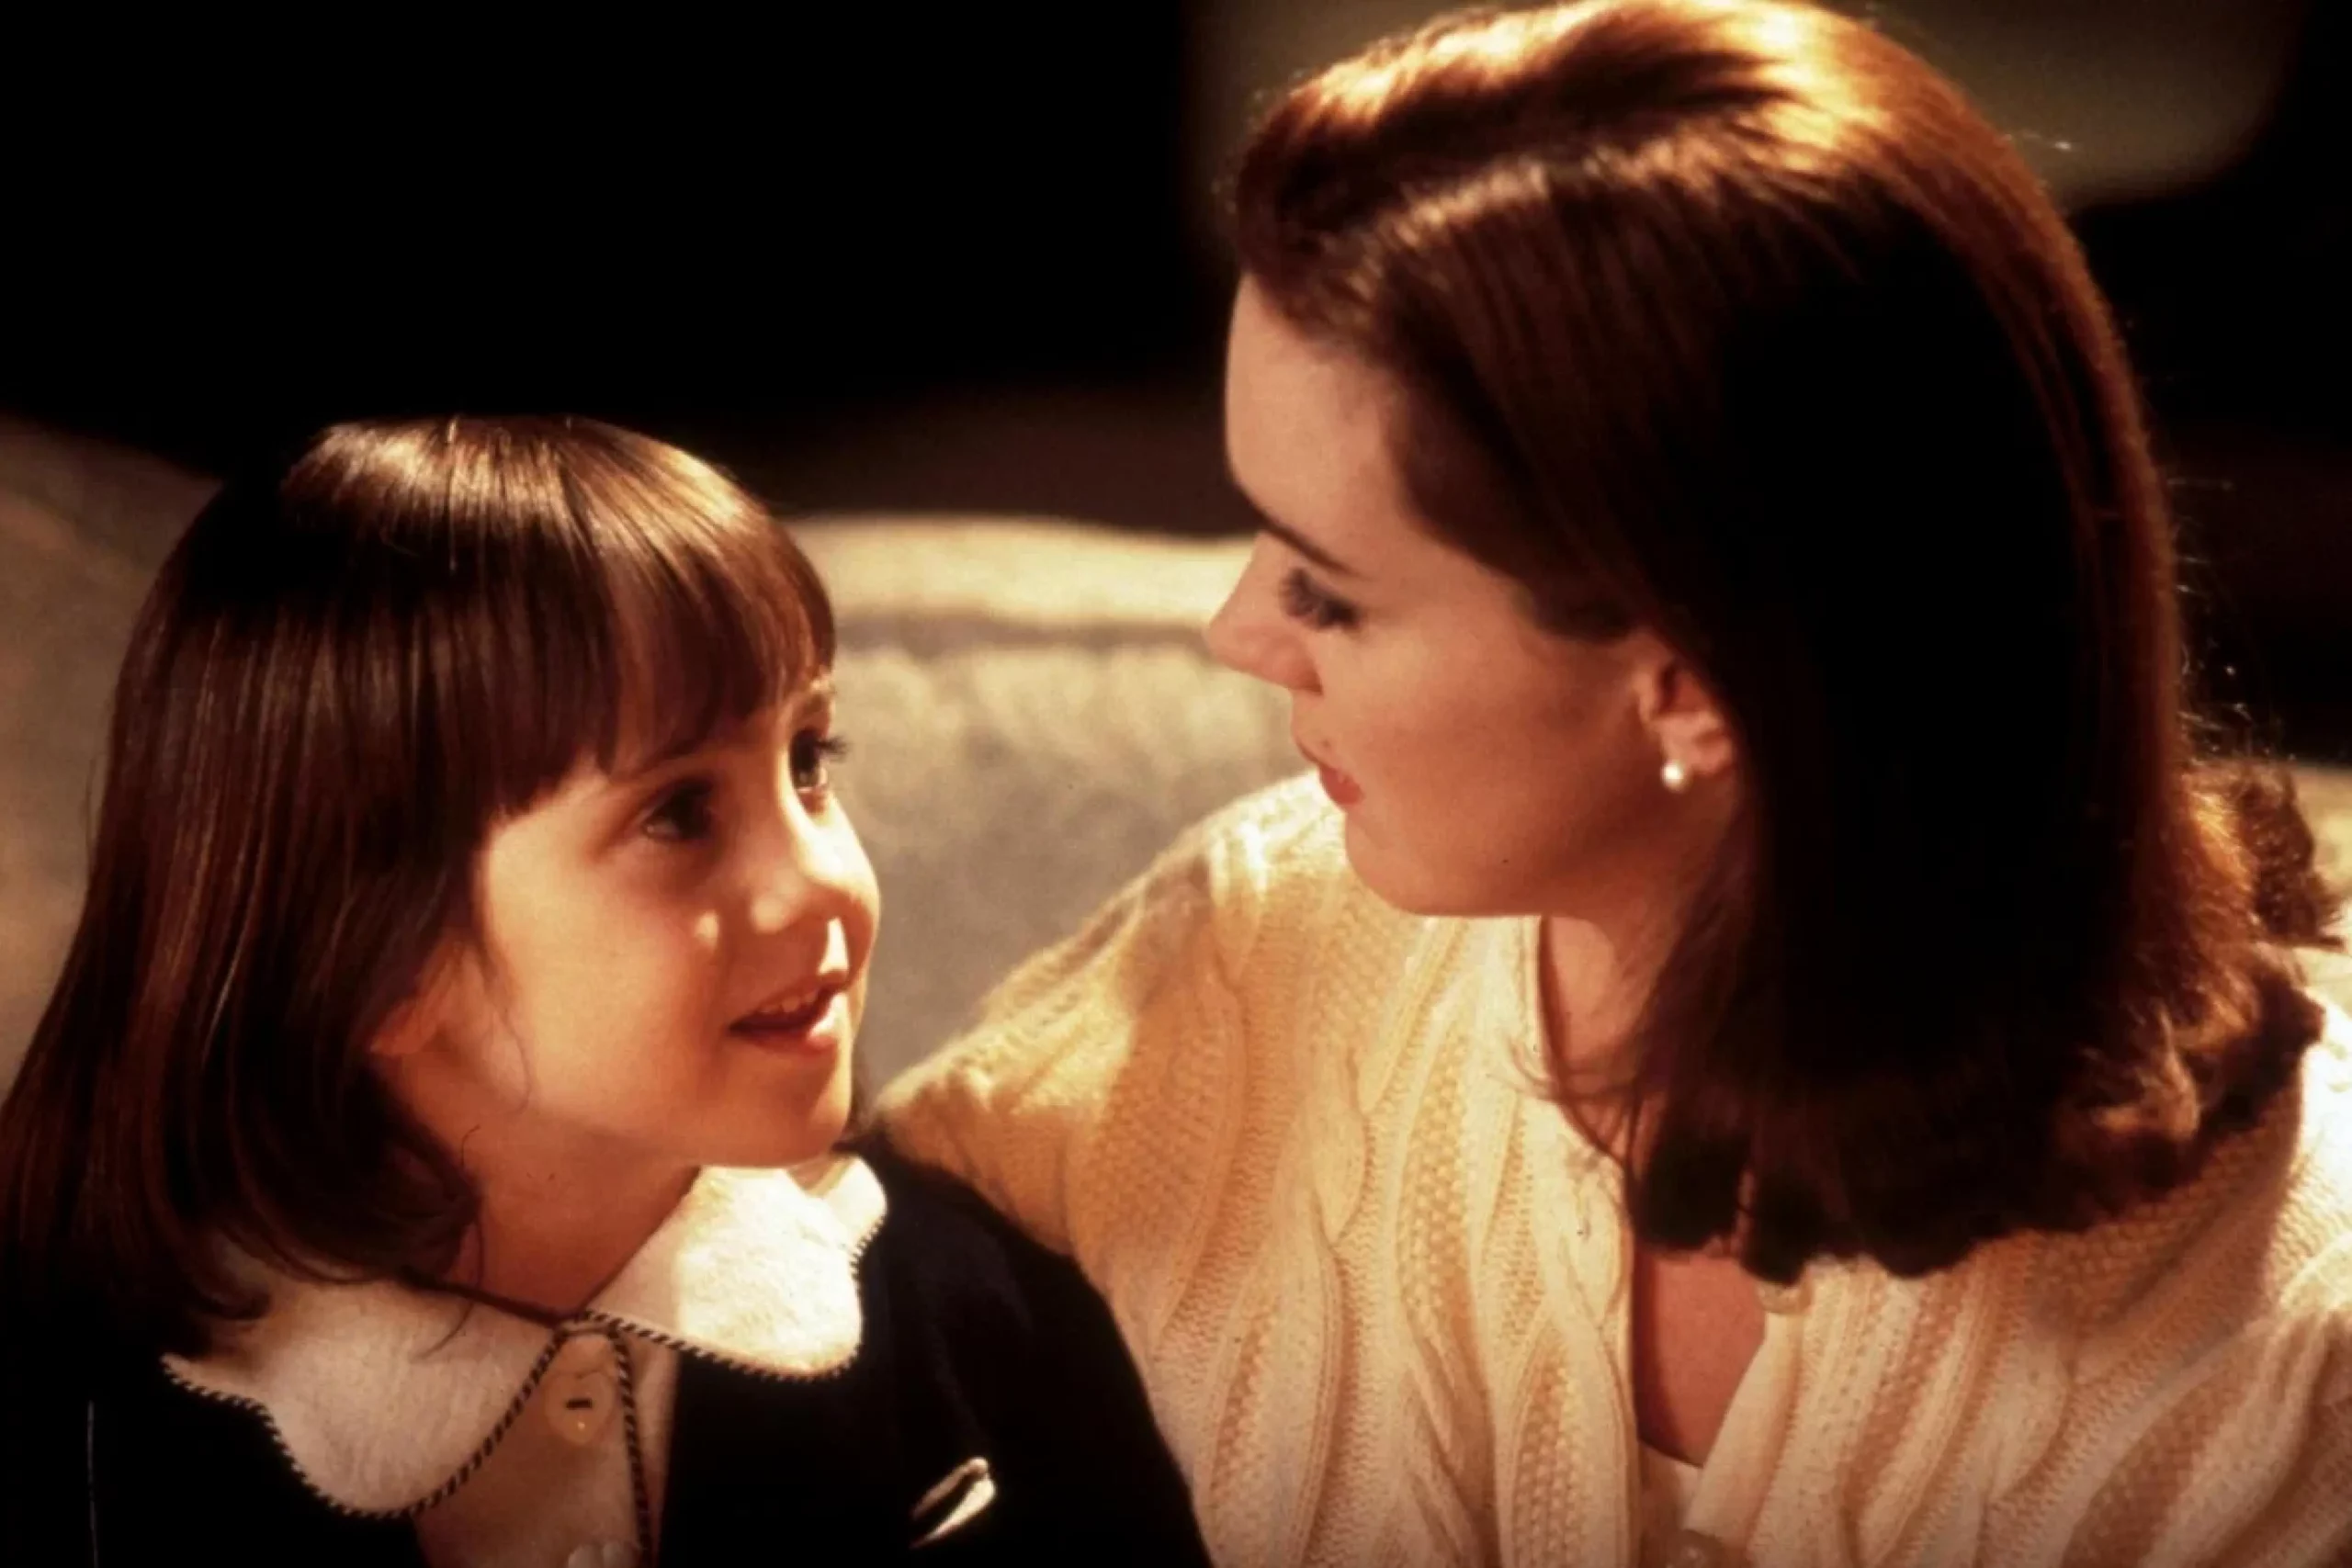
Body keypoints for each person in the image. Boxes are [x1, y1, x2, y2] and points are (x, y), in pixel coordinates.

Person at [876, 3, 2352, 1562]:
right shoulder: (1257, 946)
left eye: (1329, 589)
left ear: (1692, 684)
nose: (1238, 633)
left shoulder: (2286, 1380)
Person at [0, 416, 1210, 1566]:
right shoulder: (87, 1405)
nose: (825, 880)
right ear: (369, 964)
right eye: (679, 813)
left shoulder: (980, 1320)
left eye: (809, 761)